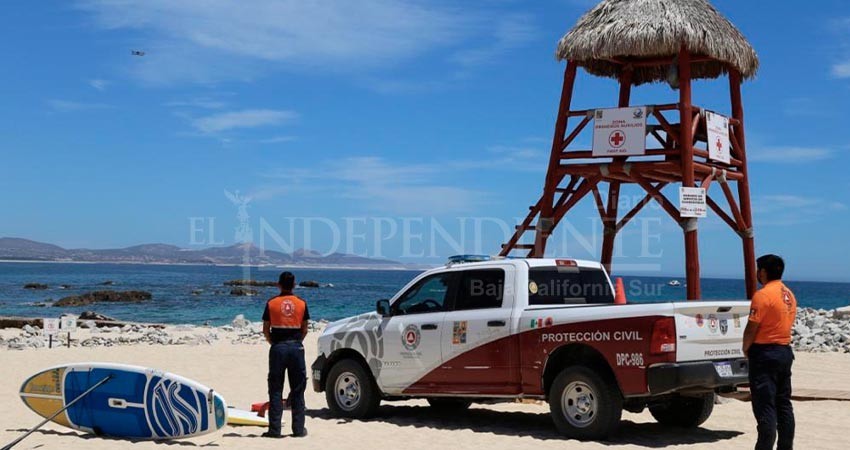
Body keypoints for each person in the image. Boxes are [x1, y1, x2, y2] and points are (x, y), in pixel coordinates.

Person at [742, 254, 797, 450]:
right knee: (784, 404)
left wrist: (745, 347)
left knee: (765, 406)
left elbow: (752, 327)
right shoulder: (789, 294)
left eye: (758, 270)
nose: (757, 274)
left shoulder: (762, 295)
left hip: (765, 353)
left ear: (763, 272)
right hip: (784, 351)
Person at [261, 271, 309, 438]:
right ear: (294, 285)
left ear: (279, 284)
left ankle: (275, 430)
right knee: (298, 389)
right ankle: (298, 429)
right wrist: (296, 342)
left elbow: (266, 330)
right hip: (296, 348)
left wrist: (274, 344)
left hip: (278, 348)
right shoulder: (301, 303)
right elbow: (305, 329)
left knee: (275, 389)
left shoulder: (272, 303)